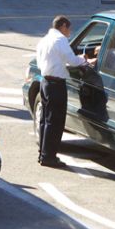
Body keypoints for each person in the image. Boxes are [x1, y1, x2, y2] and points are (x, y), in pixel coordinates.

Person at [35, 15, 97, 167]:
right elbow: (72, 60)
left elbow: (43, 61)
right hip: (56, 85)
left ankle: (43, 154)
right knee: (55, 122)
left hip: (45, 82)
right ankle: (49, 157)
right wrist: (85, 60)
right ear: (63, 26)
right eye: (68, 28)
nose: (69, 32)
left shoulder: (44, 40)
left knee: (45, 120)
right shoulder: (60, 40)